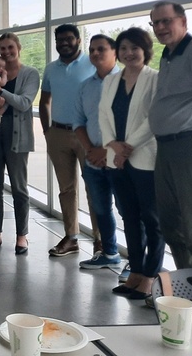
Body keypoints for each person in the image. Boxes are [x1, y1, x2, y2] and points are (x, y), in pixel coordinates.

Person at [99, 27, 162, 298]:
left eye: (134, 48)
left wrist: (129, 146)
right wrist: (113, 144)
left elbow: (154, 118)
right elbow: (103, 114)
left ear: (145, 50)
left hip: (144, 156)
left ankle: (149, 276)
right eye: (123, 48)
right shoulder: (111, 81)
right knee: (130, 216)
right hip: (117, 158)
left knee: (152, 218)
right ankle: (134, 271)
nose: (128, 53)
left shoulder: (155, 79)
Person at [39, 24, 97, 257]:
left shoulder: (93, 64)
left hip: (89, 135)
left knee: (94, 188)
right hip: (59, 134)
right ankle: (71, 237)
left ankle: (101, 241)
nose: (63, 43)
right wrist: (47, 131)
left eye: (68, 39)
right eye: (59, 39)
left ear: (78, 40)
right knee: (66, 189)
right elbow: (44, 101)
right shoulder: (51, 69)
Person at [0, 34, 39, 256]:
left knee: (19, 187)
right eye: (2, 48)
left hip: (17, 135)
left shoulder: (30, 73)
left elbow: (24, 103)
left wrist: (0, 90)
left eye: (10, 47)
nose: (6, 52)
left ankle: (21, 236)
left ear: (19, 48)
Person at [149, 1, 192, 269]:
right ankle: (186, 284)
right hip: (166, 147)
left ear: (183, 21)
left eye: (166, 21)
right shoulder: (167, 55)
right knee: (171, 223)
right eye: (155, 23)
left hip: (188, 145)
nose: (160, 27)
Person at [73, 35, 122, 271]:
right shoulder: (85, 86)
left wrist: (107, 150)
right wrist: (91, 150)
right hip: (93, 160)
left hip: (122, 161)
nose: (95, 54)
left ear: (115, 52)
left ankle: (138, 263)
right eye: (91, 50)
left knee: (130, 212)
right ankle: (110, 252)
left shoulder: (127, 82)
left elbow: (132, 124)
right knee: (101, 208)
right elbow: (79, 122)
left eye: (101, 49)